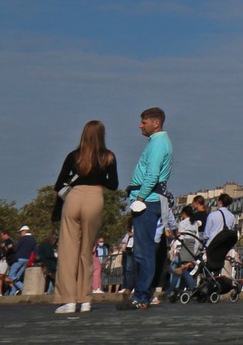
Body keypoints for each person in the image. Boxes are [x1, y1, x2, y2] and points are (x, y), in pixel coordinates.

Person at [51, 120, 117, 315]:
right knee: (87, 250)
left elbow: (58, 183)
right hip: (95, 198)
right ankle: (85, 299)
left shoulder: (74, 156)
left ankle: (69, 300)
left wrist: (79, 178)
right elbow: (113, 184)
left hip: (74, 198)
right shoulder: (108, 157)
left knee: (68, 251)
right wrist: (98, 177)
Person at [117, 106, 173, 311]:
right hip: (148, 198)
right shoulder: (157, 142)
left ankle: (141, 296)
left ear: (155, 123)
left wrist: (140, 197)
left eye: (144, 122)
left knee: (144, 251)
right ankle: (142, 294)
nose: (140, 125)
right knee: (146, 249)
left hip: (147, 199)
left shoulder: (157, 144)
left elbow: (152, 174)